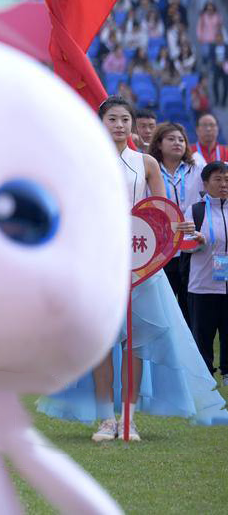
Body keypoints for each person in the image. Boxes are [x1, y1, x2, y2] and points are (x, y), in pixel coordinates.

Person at [37, 97, 228, 440]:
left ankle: (128, 419)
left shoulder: (146, 163)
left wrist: (179, 227)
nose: (120, 125)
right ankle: (105, 420)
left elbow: (163, 213)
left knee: (135, 341)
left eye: (125, 119)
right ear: (101, 122)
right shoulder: (85, 161)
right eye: (113, 119)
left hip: (140, 264)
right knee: (102, 340)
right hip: (98, 261)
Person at [149, 122, 202, 325]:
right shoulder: (150, 170)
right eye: (171, 139)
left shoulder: (197, 171)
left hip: (191, 246)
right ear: (159, 144)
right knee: (165, 305)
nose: (177, 143)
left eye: (181, 139)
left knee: (190, 307)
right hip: (161, 247)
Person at [189, 162, 228, 376]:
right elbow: (184, 245)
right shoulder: (195, 210)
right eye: (218, 179)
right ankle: (204, 376)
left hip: (227, 285)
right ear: (205, 183)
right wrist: (198, 241)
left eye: (227, 180)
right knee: (203, 335)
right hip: (203, 285)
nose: (223, 185)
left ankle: (227, 373)